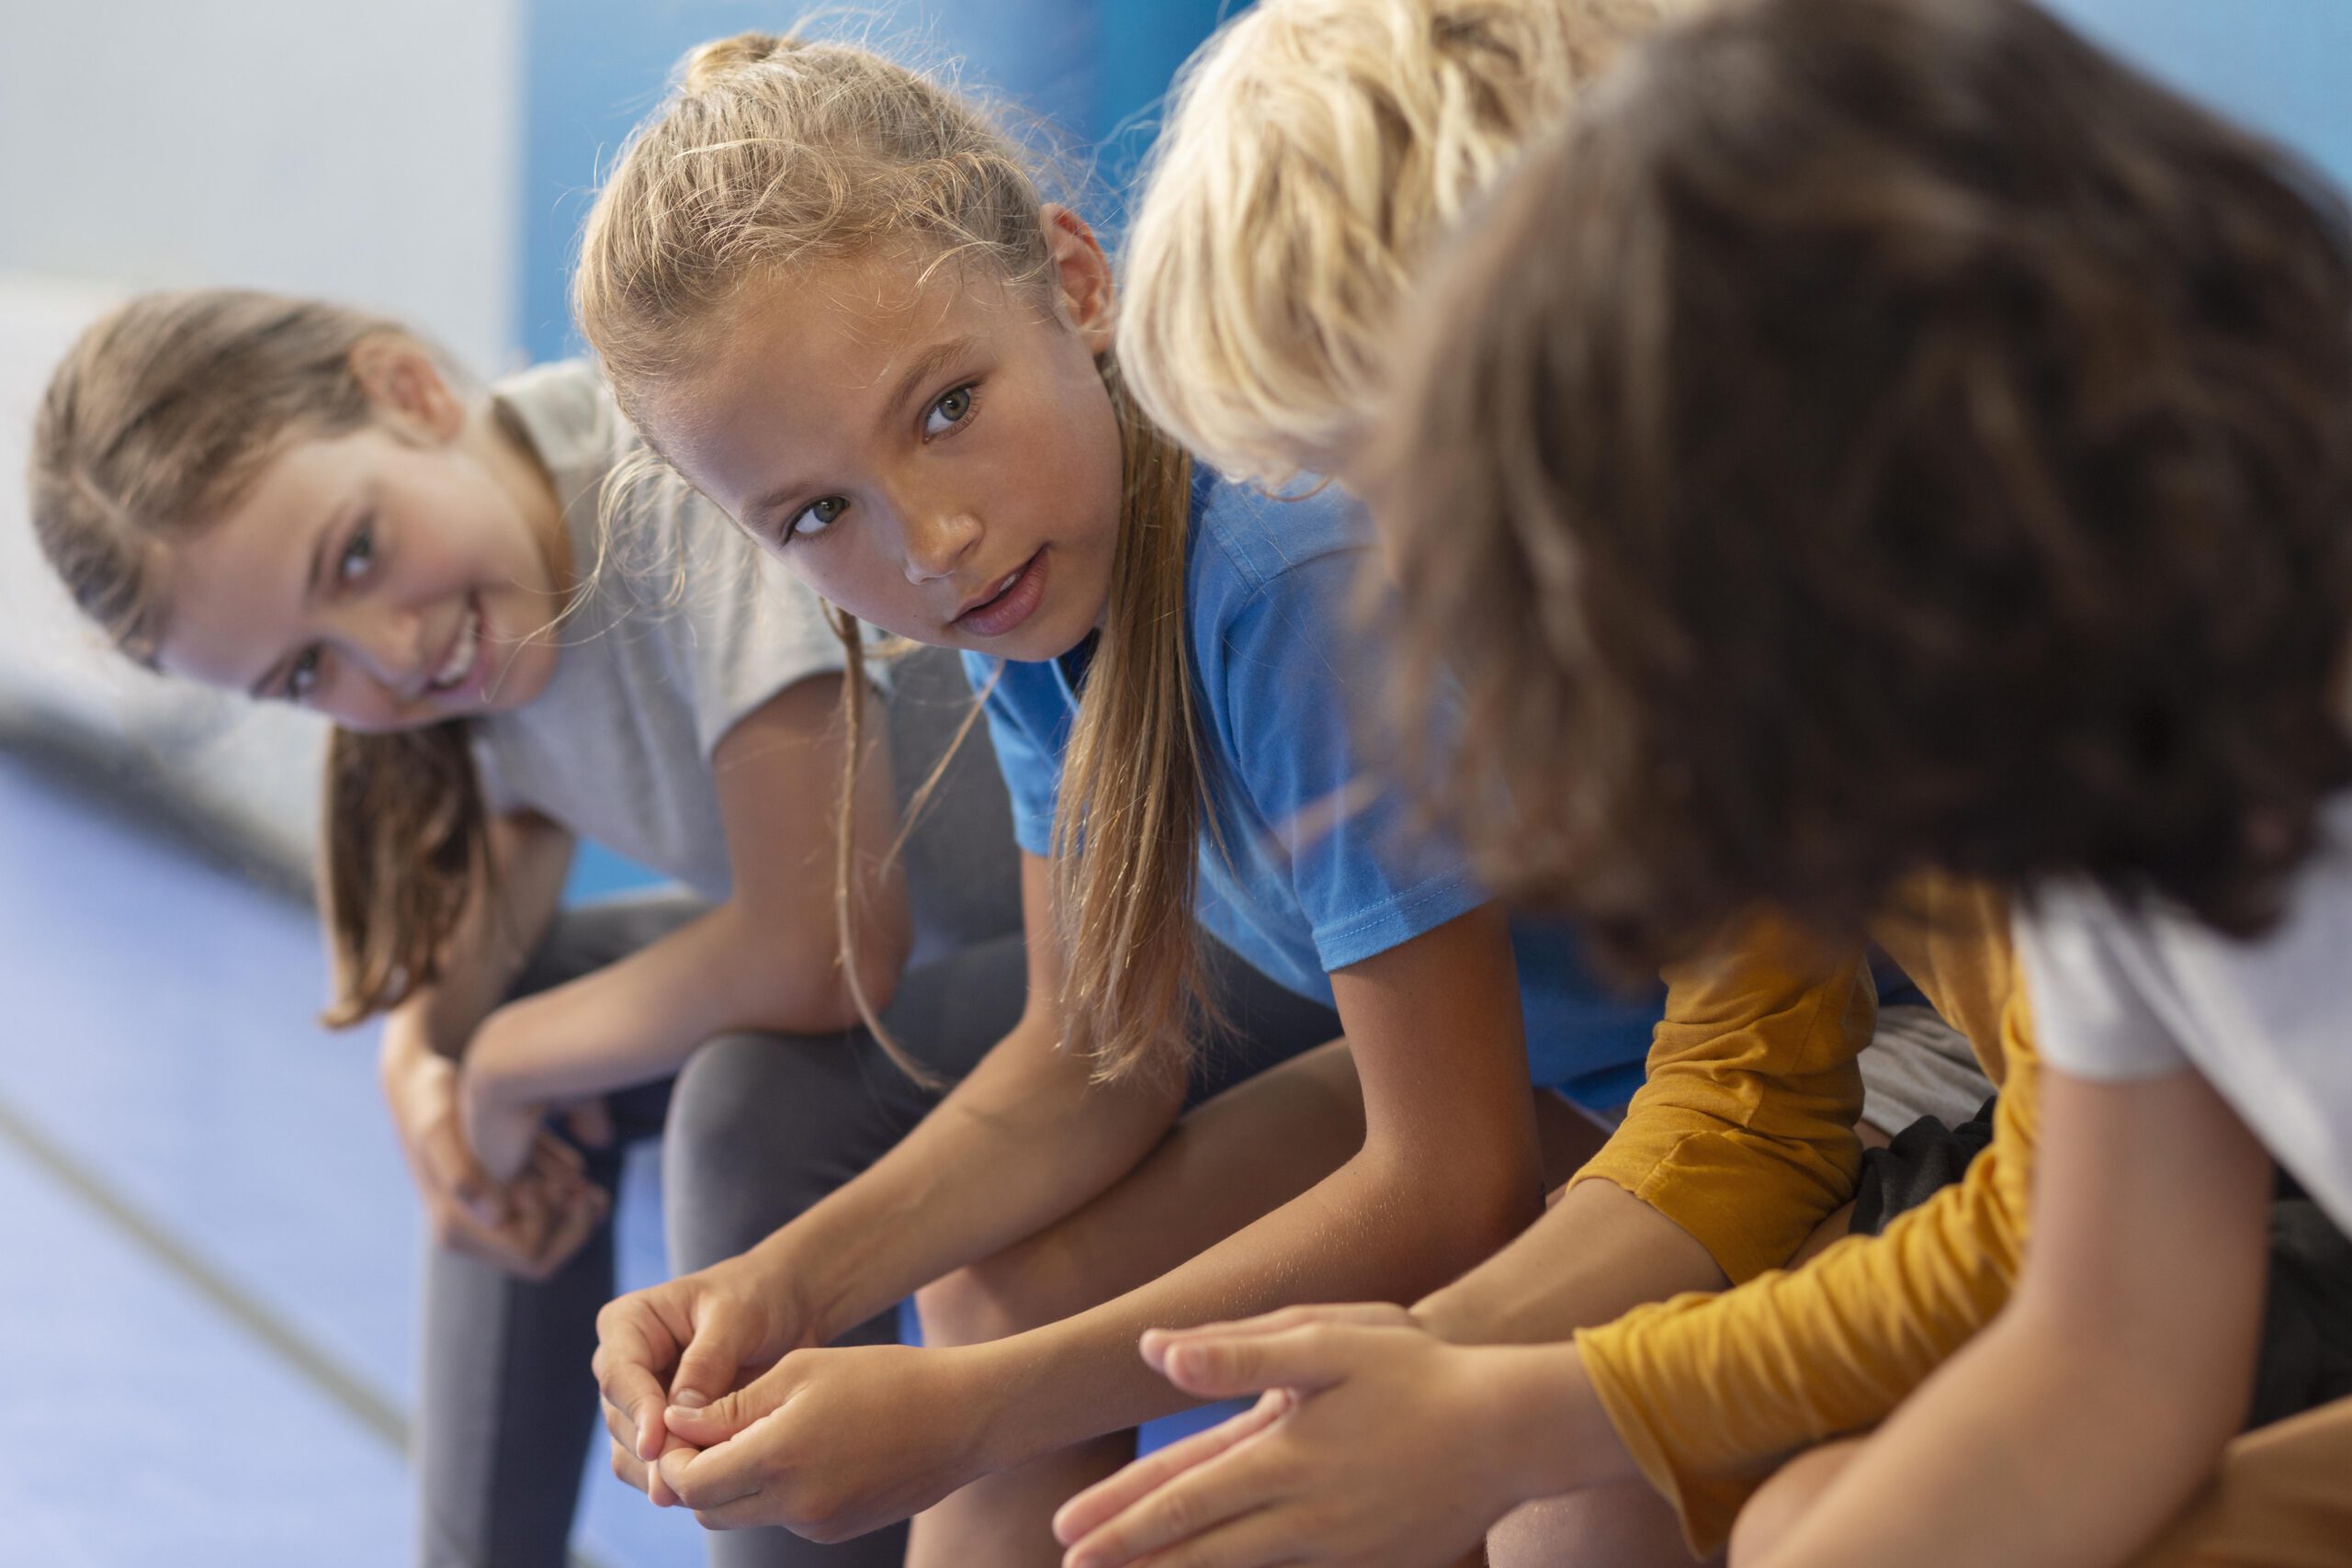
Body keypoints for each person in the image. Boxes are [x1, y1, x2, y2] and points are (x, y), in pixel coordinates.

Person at [1062, 1, 2352, 1563]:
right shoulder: (1997, 728)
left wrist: (1526, 1409)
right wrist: (1485, 1411)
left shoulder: (2190, 676)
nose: (1431, 592)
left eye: (1444, 499)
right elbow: (2112, 1321)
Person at [565, 29, 1874, 1564]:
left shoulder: (1276, 568)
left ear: (1074, 280)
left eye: (943, 408)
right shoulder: (1027, 586)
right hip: (1566, 1080)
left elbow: (1452, 1179)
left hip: (1676, 1093)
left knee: (1547, 1510)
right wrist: (778, 1287)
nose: (928, 535)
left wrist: (971, 1410)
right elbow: (1085, 1059)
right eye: (816, 513)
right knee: (988, 1292)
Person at [26, 288, 1018, 1568]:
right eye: (305, 675)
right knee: (524, 1040)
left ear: (411, 391)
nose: (389, 659)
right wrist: (428, 1068)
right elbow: (480, 933)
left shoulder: (669, 474)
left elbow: (824, 952)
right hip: (963, 971)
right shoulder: (470, 618)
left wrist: (498, 1069)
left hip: (1160, 948)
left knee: (750, 1100)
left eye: (358, 556)